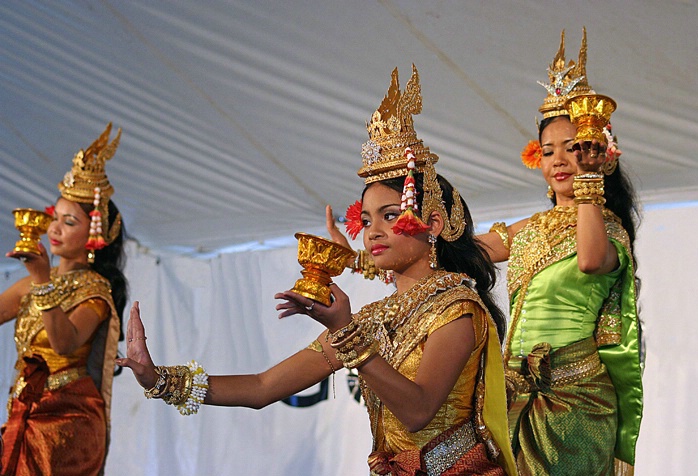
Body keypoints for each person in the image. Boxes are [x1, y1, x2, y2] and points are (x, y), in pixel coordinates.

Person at [117, 65, 517, 475]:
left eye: (390, 216)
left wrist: (345, 334)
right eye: (366, 219)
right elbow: (263, 387)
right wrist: (160, 380)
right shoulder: (376, 318)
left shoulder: (457, 309)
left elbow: (417, 411)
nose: (372, 232)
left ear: (432, 225)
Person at [476, 30, 643, 475]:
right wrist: (400, 235)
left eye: (573, 148)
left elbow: (589, 261)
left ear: (600, 156)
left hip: (576, 406)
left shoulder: (609, 231)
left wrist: (589, 182)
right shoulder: (529, 228)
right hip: (512, 395)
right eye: (548, 151)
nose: (559, 160)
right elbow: (466, 254)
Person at [0, 123, 128, 476]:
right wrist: (41, 279)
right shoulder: (36, 282)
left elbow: (65, 341)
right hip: (25, 408)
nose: (54, 229)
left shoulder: (95, 292)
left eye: (68, 222)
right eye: (54, 218)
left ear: (95, 233)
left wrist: (41, 280)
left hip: (67, 421)